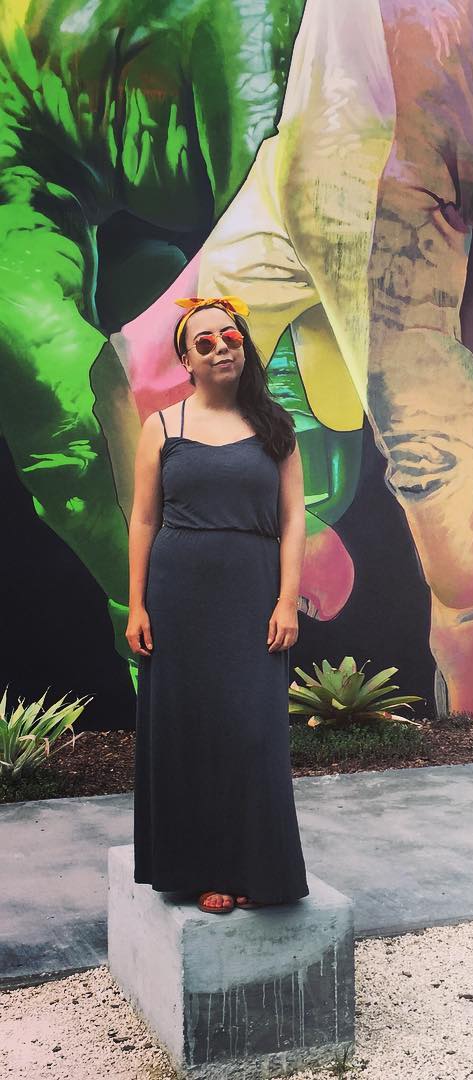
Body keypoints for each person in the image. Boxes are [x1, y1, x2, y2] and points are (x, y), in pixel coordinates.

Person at [125, 296, 310, 914]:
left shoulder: (276, 428)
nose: (220, 346)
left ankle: (252, 867)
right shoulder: (163, 427)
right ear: (186, 360)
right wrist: (137, 606)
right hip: (176, 598)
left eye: (228, 335)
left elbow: (292, 521)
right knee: (188, 731)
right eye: (203, 342)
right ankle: (198, 868)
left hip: (252, 594)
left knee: (249, 731)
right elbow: (143, 520)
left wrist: (287, 600)